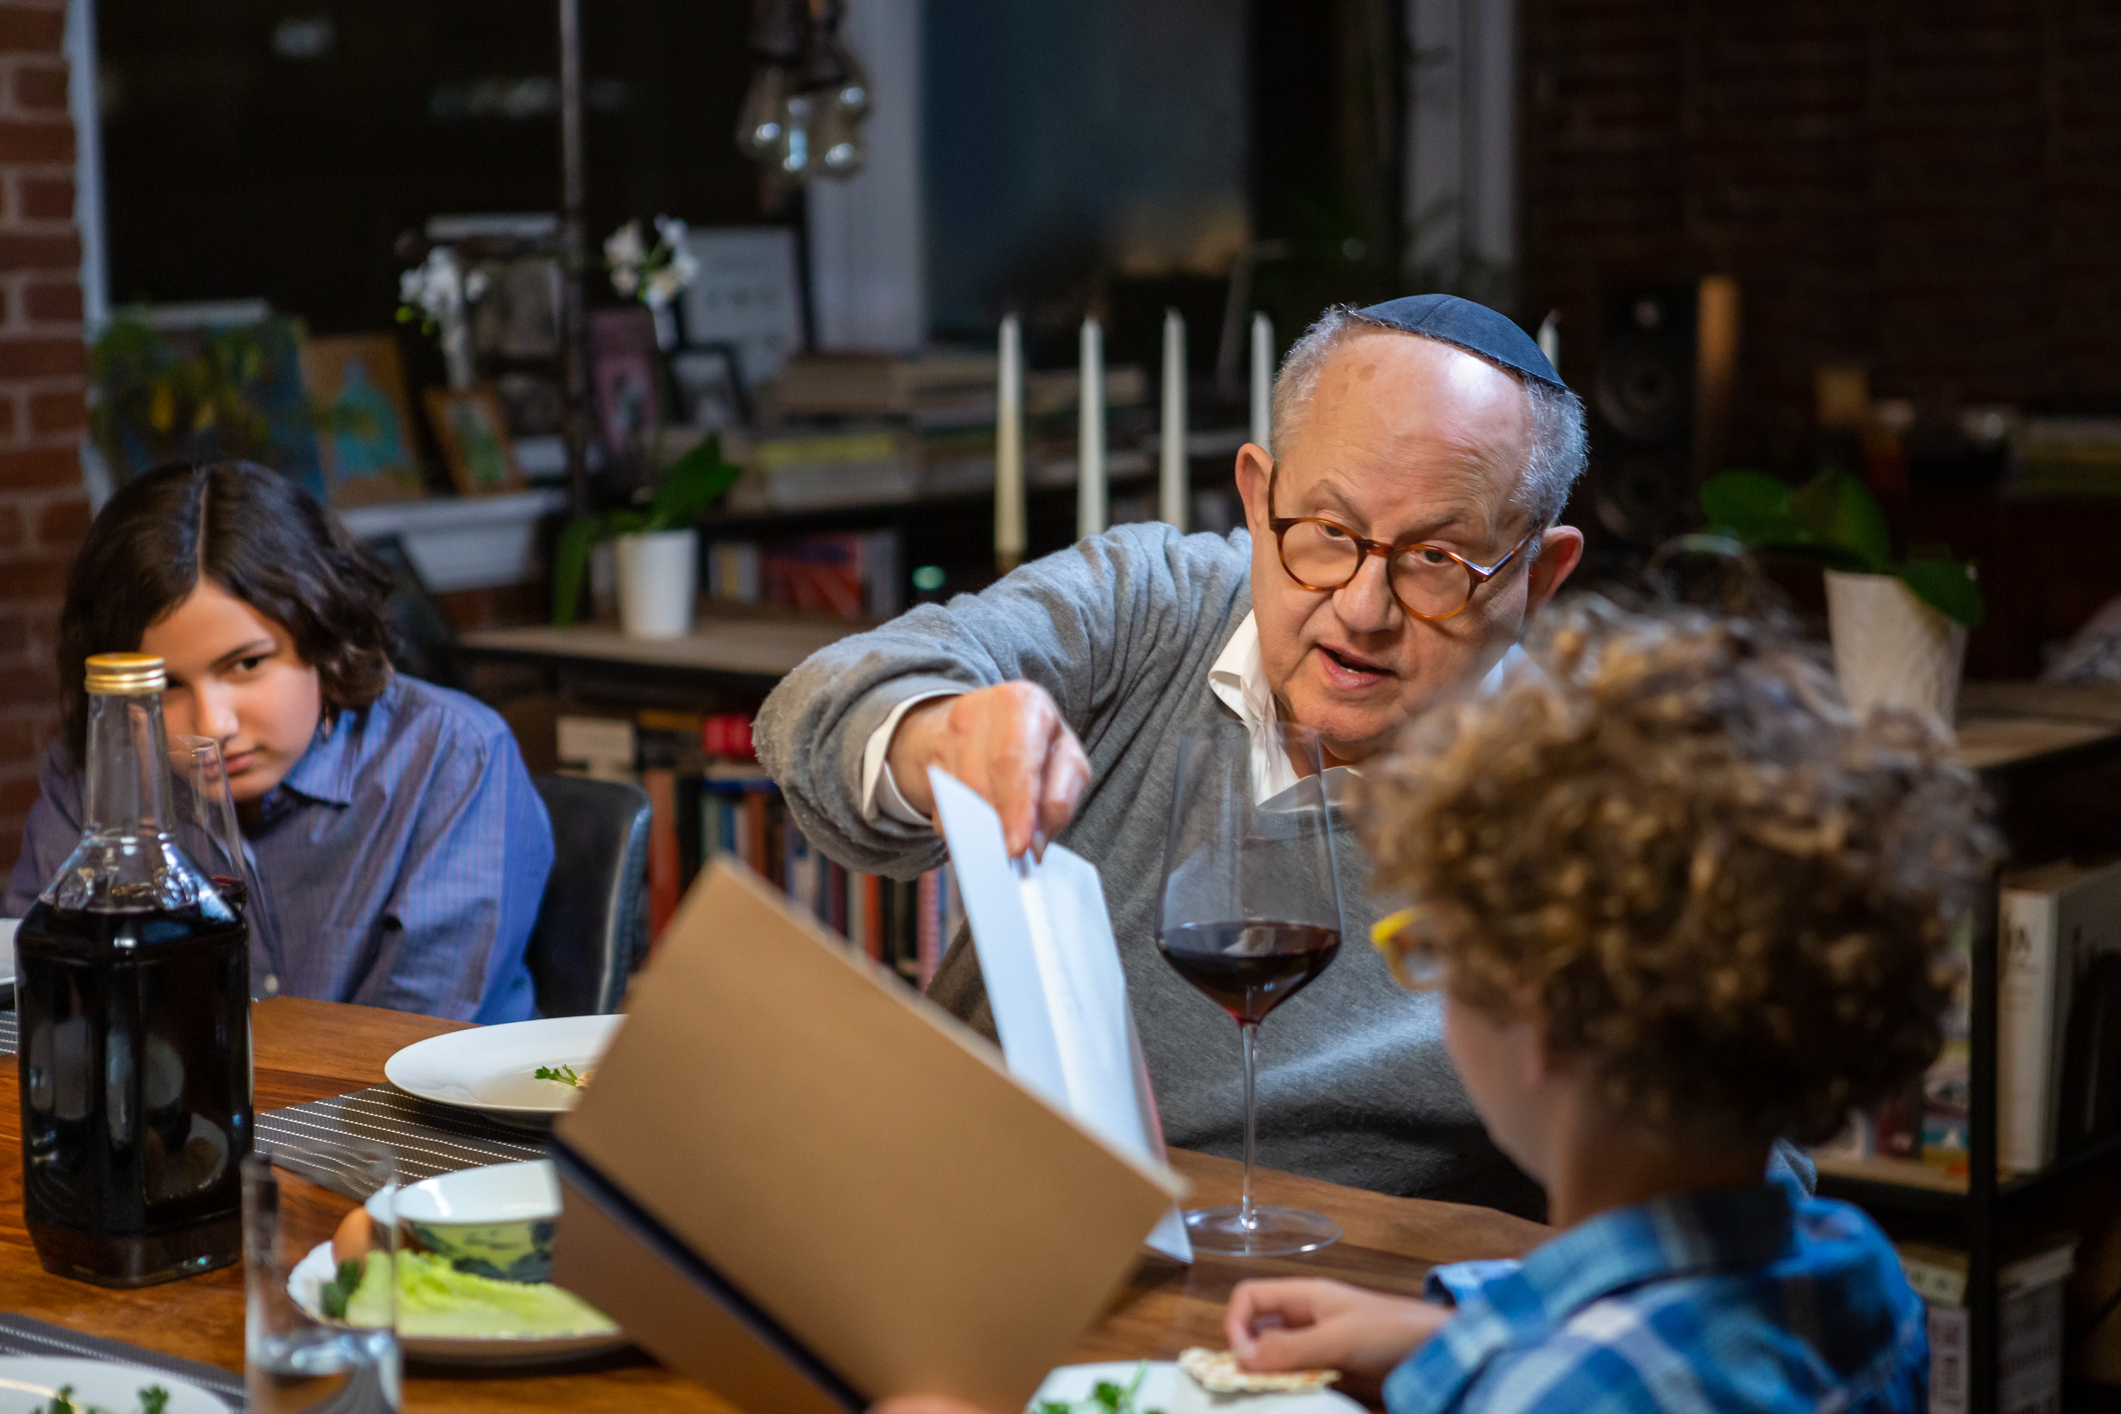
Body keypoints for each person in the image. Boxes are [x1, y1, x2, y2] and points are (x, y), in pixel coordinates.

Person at [874, 600, 1996, 1414]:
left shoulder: (1560, 1395)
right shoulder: (1852, 1269)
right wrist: (1443, 1337)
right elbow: (1656, 1311)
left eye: (1431, 948)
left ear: (1536, 1022)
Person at [760, 294, 1593, 1210]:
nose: (1362, 609)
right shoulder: (1151, 602)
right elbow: (816, 705)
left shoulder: (1591, 810)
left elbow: (1748, 1187)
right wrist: (936, 735)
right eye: (1325, 531)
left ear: (1537, 576)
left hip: (1291, 1311)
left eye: (1435, 556)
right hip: (936, 1202)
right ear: (1257, 494)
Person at [5, 460, 553, 1023]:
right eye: (164, 685)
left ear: (323, 631)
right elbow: (41, 1004)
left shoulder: (453, 758)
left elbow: (408, 1045)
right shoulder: (97, 779)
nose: (213, 725)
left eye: (246, 664)